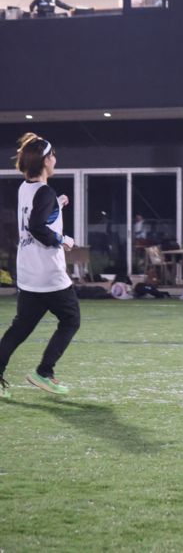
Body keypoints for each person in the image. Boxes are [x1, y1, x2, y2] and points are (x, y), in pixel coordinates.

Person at [0, 133, 80, 400]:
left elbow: (36, 214)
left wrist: (57, 204)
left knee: (19, 329)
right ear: (45, 161)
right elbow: (37, 227)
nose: (55, 159)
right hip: (49, 274)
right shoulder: (45, 192)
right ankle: (44, 372)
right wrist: (63, 240)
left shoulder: (25, 188)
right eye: (53, 155)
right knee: (71, 320)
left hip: (28, 273)